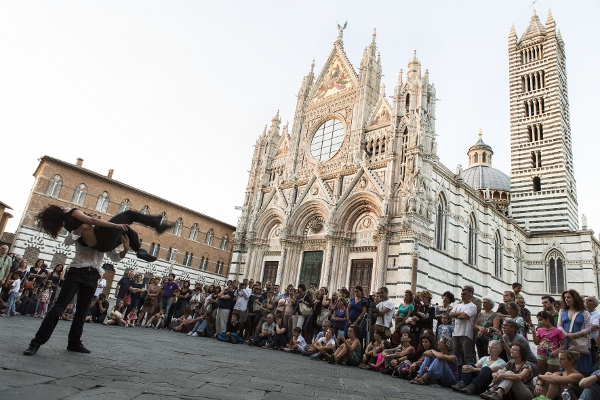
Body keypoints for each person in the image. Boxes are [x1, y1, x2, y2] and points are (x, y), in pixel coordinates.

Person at [23, 233, 129, 356]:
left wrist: (126, 249)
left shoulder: (104, 236)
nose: (97, 218)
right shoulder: (82, 230)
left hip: (94, 275)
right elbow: (67, 242)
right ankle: (36, 343)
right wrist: (79, 229)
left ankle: (74, 342)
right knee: (59, 306)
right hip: (77, 271)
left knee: (83, 311)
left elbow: (114, 257)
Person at [35, 205, 174, 262]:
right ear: (59, 211)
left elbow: (86, 228)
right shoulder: (73, 213)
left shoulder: (69, 226)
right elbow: (89, 219)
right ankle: (156, 224)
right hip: (102, 239)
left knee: (127, 230)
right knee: (129, 214)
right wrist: (114, 224)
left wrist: (125, 248)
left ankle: (138, 249)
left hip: (103, 246)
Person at [557, 288, 593, 375]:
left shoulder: (584, 312)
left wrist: (575, 335)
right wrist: (567, 335)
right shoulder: (562, 311)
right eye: (565, 298)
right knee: (567, 364)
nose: (566, 299)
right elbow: (559, 326)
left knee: (581, 366)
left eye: (569, 297)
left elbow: (588, 328)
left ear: (575, 298)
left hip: (579, 341)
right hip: (566, 341)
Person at [449, 285, 478, 365]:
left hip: (466, 334)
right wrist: (459, 314)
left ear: (470, 295)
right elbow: (450, 314)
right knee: (456, 355)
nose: (462, 296)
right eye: (461, 294)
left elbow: (464, 316)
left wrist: (456, 315)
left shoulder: (472, 306)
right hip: (456, 333)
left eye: (464, 294)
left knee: (467, 356)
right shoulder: (458, 305)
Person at [532, 310, 566, 374]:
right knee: (542, 374)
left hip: (552, 355)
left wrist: (556, 351)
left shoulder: (557, 331)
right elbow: (536, 342)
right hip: (541, 354)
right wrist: (533, 332)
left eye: (541, 320)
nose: (540, 322)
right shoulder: (539, 330)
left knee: (553, 375)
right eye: (539, 320)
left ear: (547, 319)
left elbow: (563, 345)